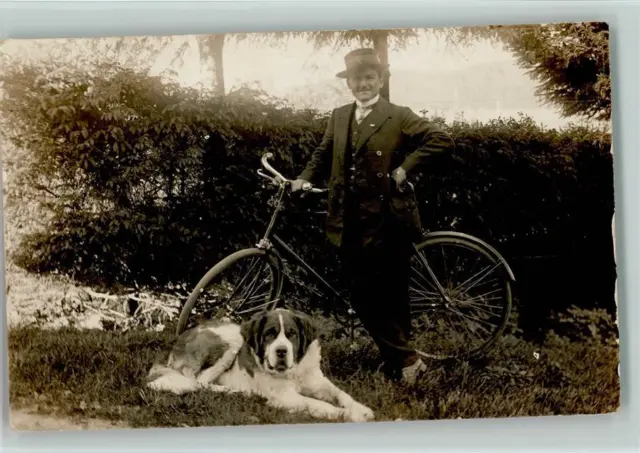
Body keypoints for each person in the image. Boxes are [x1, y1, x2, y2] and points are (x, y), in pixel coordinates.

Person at [291, 48, 455, 385]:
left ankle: (405, 362)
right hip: (348, 218)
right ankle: (402, 360)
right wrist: (305, 177)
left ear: (380, 80)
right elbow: (324, 152)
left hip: (386, 219)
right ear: (348, 83)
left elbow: (440, 139)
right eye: (356, 78)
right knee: (364, 292)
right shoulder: (339, 115)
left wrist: (405, 168)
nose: (363, 83)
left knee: (387, 292)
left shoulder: (397, 115)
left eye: (369, 77)